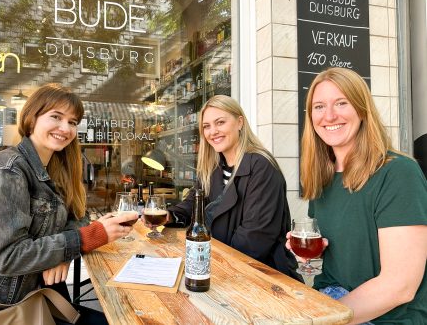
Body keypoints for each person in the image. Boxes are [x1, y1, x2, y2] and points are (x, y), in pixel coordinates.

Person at [0, 84, 136, 324]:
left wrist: (63, 255)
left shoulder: (52, 168)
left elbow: (77, 216)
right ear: (31, 118)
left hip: (36, 294)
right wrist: (88, 238)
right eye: (56, 117)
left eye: (73, 122)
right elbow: (9, 257)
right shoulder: (9, 170)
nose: (65, 128)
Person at [289, 67, 427, 324]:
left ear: (362, 110)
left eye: (341, 103)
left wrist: (323, 318)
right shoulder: (323, 177)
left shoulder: (398, 173)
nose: (329, 116)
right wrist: (309, 252)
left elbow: (400, 285)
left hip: (385, 318)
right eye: (319, 107)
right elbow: (343, 252)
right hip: (329, 299)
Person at [159, 95, 301, 280]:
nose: (213, 132)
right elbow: (193, 204)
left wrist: (205, 261)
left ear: (239, 122)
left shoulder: (261, 166)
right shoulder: (214, 167)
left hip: (261, 277)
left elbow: (253, 240)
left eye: (220, 122)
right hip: (222, 269)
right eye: (206, 126)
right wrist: (168, 215)